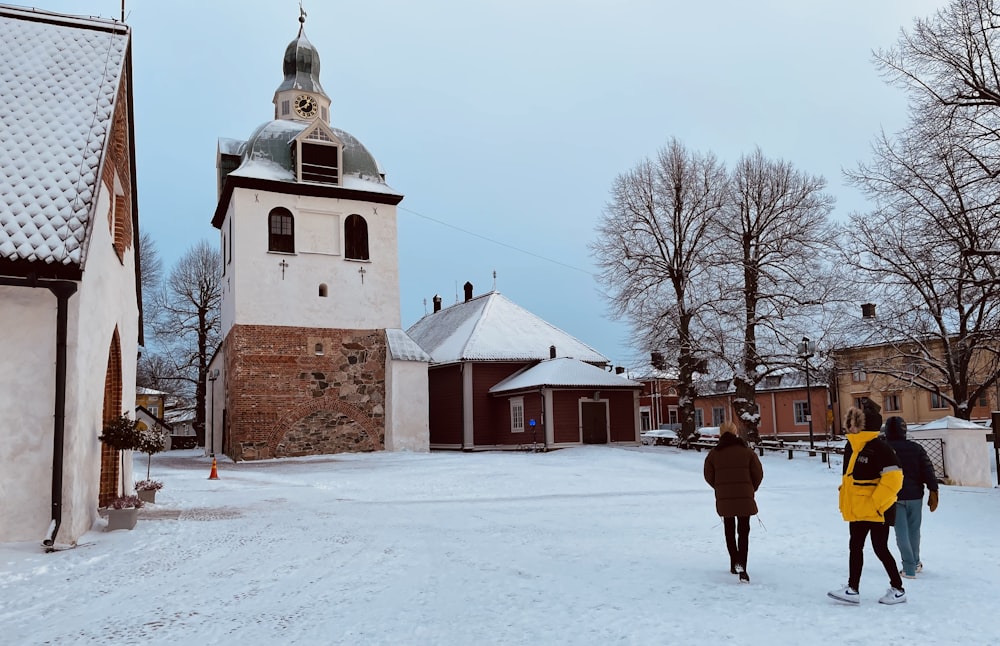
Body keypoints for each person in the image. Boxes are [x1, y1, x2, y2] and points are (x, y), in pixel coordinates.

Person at [828, 400, 907, 605]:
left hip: (877, 510)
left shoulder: (880, 448)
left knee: (880, 548)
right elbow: (850, 478)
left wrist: (877, 503)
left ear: (864, 426)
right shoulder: (853, 447)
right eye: (849, 424)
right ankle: (852, 588)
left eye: (853, 424)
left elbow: (894, 479)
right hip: (859, 509)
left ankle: (898, 588)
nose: (849, 428)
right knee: (855, 545)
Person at [704, 421, 764, 583]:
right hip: (745, 496)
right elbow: (758, 473)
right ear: (735, 432)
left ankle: (734, 562)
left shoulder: (714, 454)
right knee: (743, 532)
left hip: (724, 498)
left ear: (721, 433)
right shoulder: (747, 452)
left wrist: (719, 487)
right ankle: (742, 566)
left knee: (729, 530)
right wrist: (751, 488)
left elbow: (708, 475)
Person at [884, 416, 939, 578]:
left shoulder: (884, 448)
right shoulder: (916, 448)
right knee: (914, 530)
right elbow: (928, 470)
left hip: (893, 497)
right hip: (915, 496)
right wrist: (933, 489)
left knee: (901, 532)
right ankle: (915, 562)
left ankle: (908, 567)